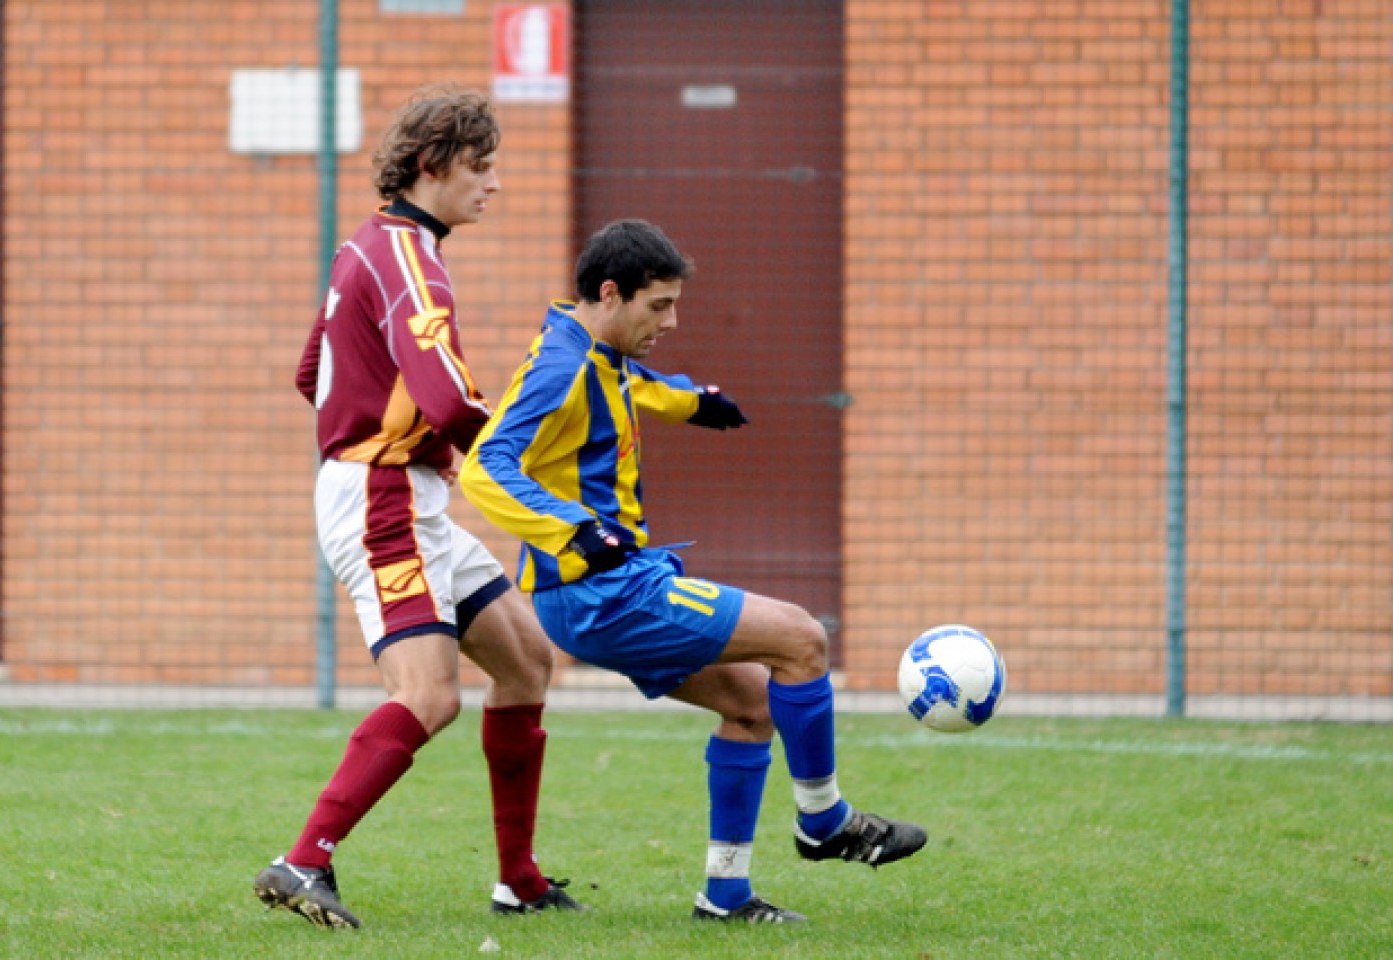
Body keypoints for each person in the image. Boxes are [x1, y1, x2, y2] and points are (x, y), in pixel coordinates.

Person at [460, 218, 927, 923]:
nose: (672, 321)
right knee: (802, 639)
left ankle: (726, 896)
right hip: (602, 592)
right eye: (659, 306)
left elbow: (626, 383)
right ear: (611, 294)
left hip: (596, 591)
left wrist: (690, 401)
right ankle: (824, 821)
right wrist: (576, 531)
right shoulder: (561, 365)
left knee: (750, 707)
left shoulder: (586, 346)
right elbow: (485, 466)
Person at [254, 86, 582, 929]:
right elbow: (447, 397)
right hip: (383, 495)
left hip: (401, 488)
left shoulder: (369, 246)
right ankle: (303, 862)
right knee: (429, 696)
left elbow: (310, 373)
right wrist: (523, 470)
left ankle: (520, 880)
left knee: (524, 662)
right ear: (432, 167)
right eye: (481, 166)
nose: (494, 184)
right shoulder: (408, 259)